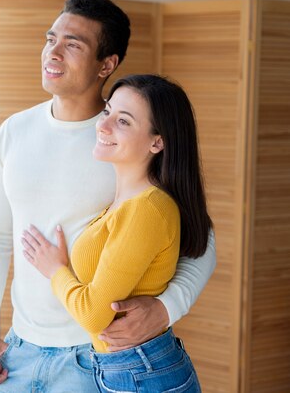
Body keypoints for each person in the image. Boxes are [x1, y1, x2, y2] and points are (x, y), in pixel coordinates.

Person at [0, 0, 216, 392]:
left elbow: (199, 238)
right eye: (51, 39)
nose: (53, 52)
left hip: (95, 356)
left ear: (108, 64)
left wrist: (166, 308)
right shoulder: (15, 131)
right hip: (19, 348)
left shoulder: (126, 143)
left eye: (73, 44)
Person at [22, 74, 209, 392]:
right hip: (124, 368)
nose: (103, 126)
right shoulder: (127, 202)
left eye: (123, 121)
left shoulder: (147, 208)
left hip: (141, 373)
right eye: (107, 111)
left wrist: (55, 270)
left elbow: (95, 315)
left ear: (157, 142)